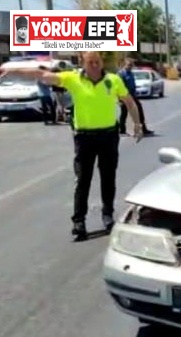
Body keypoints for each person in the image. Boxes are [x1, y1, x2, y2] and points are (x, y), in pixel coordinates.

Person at [0, 51, 143, 241]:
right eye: (90, 61)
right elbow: (42, 74)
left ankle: (107, 215)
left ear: (101, 62)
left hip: (108, 136)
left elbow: (129, 102)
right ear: (82, 63)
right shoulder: (72, 79)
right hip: (84, 138)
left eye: (97, 61)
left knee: (108, 177)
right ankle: (79, 222)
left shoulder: (113, 80)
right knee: (83, 180)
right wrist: (11, 69)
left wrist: (138, 124)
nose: (94, 65)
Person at [117, 58, 154, 136]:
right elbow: (119, 87)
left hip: (133, 96)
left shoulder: (131, 73)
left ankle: (143, 129)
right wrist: (120, 99)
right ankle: (122, 130)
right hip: (125, 97)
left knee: (139, 111)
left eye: (131, 65)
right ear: (124, 65)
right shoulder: (121, 74)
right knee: (124, 113)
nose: (130, 66)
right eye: (129, 65)